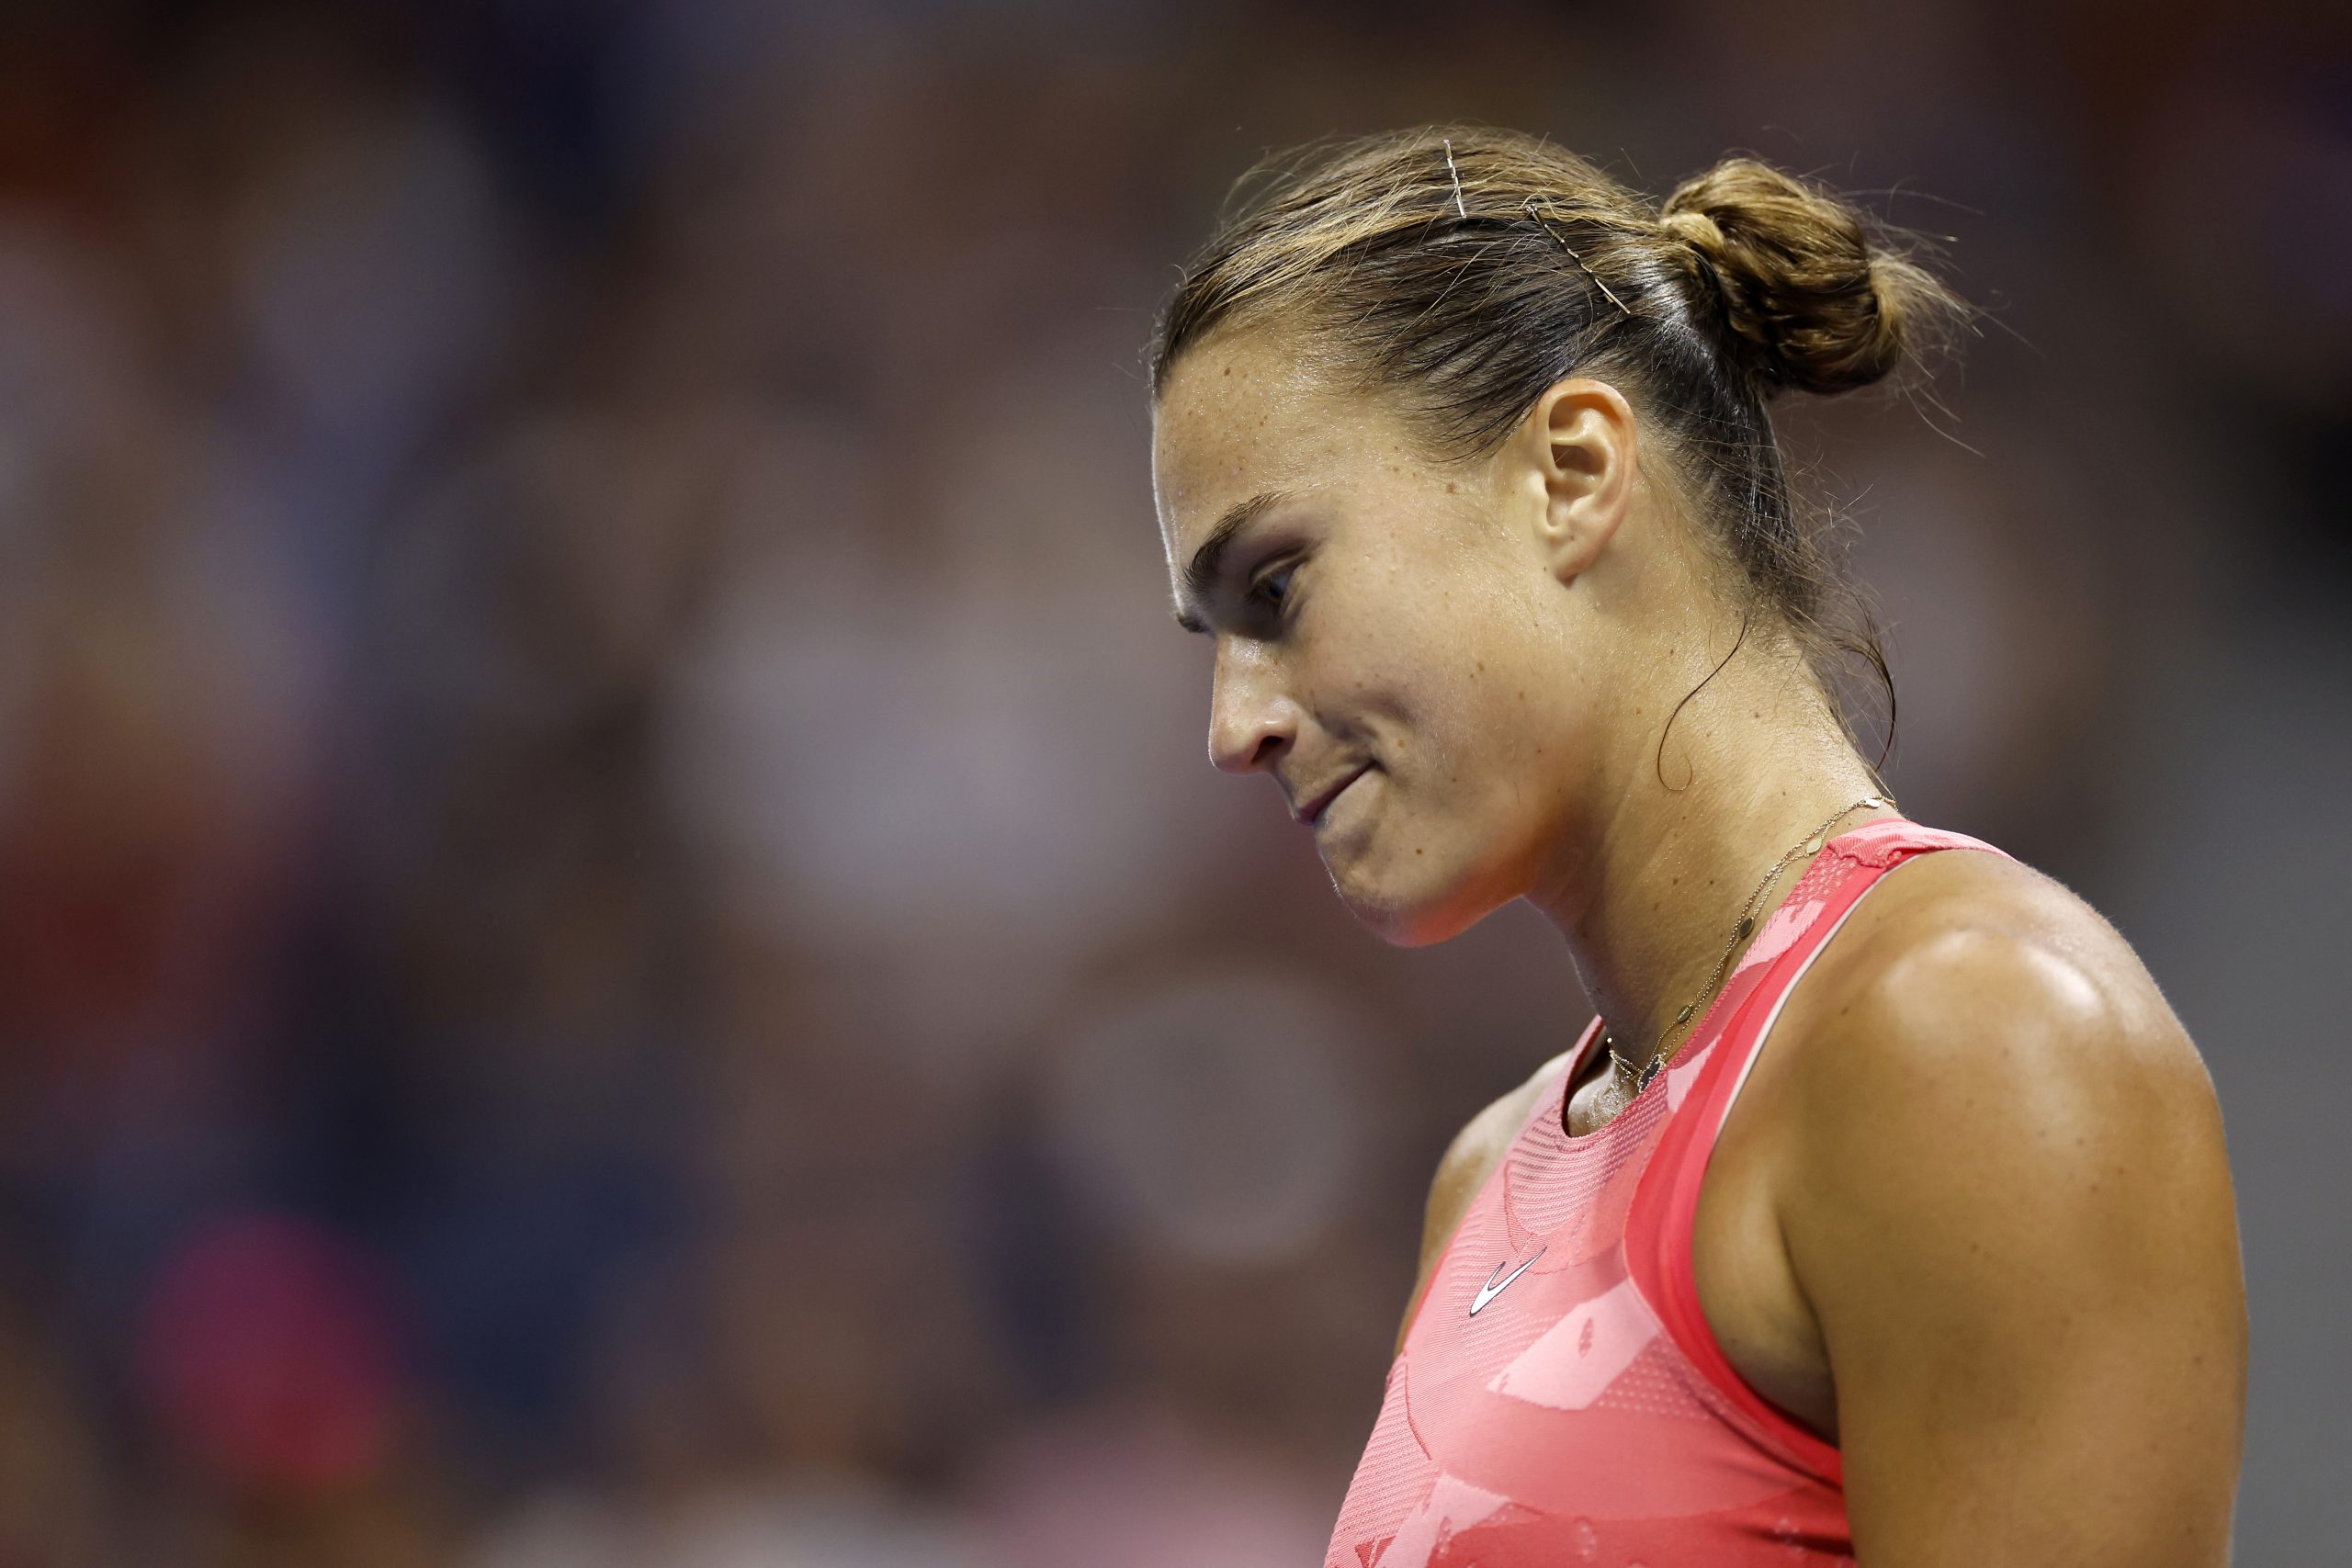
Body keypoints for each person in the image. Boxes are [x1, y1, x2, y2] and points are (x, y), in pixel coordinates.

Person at [1145, 127, 2245, 1566]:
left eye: (1277, 588)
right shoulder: (1487, 1178)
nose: (1234, 727)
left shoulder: (1974, 1035)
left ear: (1572, 471)